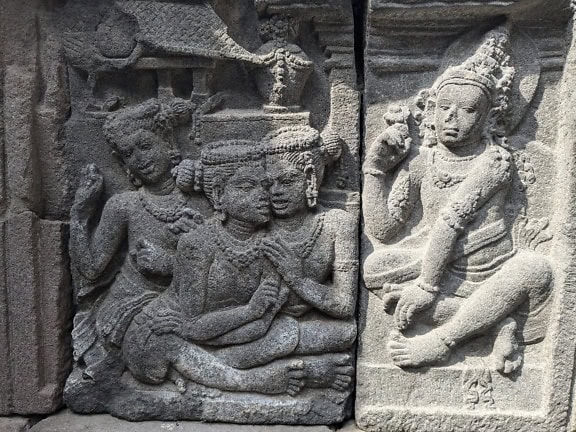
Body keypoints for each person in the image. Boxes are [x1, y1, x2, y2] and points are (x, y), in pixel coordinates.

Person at [362, 26, 552, 373]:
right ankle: (497, 322)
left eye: (468, 110)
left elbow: (452, 219)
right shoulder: (422, 163)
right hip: (435, 263)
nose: (453, 118)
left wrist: (425, 287)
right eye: (445, 107)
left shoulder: (495, 162)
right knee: (374, 268)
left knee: (535, 268)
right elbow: (385, 230)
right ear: (431, 111)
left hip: (487, 268)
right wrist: (374, 171)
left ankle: (443, 340)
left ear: (489, 117)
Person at [122, 140, 305, 396]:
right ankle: (254, 382)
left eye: (264, 186)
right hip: (158, 335)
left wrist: (221, 326)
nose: (263, 195)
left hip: (207, 336)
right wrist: (250, 311)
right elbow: (193, 324)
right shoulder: (197, 244)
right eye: (246, 186)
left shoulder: (269, 246)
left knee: (285, 331)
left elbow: (261, 325)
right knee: (168, 344)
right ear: (219, 195)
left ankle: (204, 372)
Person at [69, 98, 209, 379]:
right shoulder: (124, 206)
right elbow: (92, 268)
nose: (140, 159)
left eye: (145, 146)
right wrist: (80, 215)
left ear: (168, 145)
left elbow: (220, 267)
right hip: (128, 305)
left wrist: (170, 263)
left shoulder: (200, 201)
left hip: (185, 304)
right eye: (129, 154)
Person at [263, 126, 357, 391]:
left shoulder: (336, 224)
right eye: (269, 184)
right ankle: (304, 372)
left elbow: (345, 305)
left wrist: (298, 279)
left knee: (346, 332)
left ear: (309, 178)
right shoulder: (257, 224)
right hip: (256, 325)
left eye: (286, 181)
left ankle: (273, 365)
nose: (276, 192)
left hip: (296, 329)